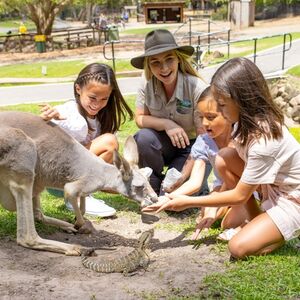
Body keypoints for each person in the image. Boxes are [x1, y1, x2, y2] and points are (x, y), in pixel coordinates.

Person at [143, 57, 300, 259]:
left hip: (291, 197)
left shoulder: (264, 141)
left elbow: (239, 195)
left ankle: (280, 234)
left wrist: (188, 202)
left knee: (237, 248)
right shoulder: (240, 124)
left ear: (241, 100)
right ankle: (258, 220)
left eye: (222, 105)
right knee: (224, 157)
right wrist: (178, 198)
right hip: (268, 188)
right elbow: (226, 179)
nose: (220, 110)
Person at [40, 63, 133, 217]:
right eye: (92, 97)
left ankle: (84, 194)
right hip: (57, 177)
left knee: (119, 176)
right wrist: (50, 118)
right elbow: (54, 122)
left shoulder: (101, 118)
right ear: (78, 89)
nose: (97, 104)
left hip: (71, 174)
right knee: (109, 142)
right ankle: (76, 196)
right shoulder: (69, 112)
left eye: (104, 99)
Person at [130, 29, 208, 196]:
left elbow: (204, 138)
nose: (163, 68)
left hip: (192, 148)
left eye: (169, 59)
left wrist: (185, 174)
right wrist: (167, 124)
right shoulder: (147, 85)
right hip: (163, 145)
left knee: (176, 195)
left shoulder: (197, 87)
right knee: (143, 137)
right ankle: (154, 182)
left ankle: (192, 183)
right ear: (148, 65)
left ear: (179, 59)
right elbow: (139, 118)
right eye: (155, 62)